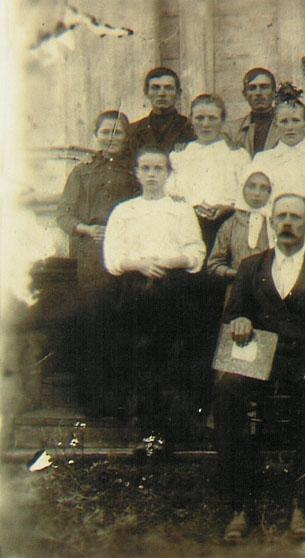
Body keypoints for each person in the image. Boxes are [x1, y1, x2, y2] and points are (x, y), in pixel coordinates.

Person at [216, 193, 305, 541]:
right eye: (281, 217)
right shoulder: (251, 266)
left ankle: (301, 504)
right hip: (259, 360)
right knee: (228, 388)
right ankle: (239, 506)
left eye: (295, 217)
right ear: (272, 223)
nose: (288, 223)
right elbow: (233, 313)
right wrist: (240, 319)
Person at [103, 147, 206, 451]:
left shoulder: (181, 210)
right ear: (136, 173)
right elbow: (112, 257)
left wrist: (167, 262)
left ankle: (170, 431)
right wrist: (139, 264)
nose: (151, 174)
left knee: (171, 357)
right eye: (145, 168)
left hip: (172, 288)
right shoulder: (124, 210)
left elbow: (196, 253)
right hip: (133, 289)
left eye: (158, 168)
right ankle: (140, 431)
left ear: (168, 174)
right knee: (138, 357)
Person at [56, 110, 140, 416]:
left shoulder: (136, 172)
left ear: (126, 137)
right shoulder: (82, 173)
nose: (111, 138)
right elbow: (63, 214)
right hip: (91, 255)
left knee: (123, 324)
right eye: (106, 132)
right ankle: (93, 402)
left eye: (118, 133)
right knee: (93, 324)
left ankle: (122, 403)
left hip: (125, 252)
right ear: (96, 135)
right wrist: (85, 229)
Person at [167, 94, 250, 251]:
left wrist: (228, 207)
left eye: (212, 118)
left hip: (227, 225)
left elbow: (247, 195)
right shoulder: (179, 155)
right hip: (187, 229)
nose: (205, 124)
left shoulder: (238, 155)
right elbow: (170, 194)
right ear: (191, 119)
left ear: (222, 120)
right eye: (199, 118)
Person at [252, 83, 305, 202]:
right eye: (284, 121)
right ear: (276, 125)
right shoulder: (262, 160)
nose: (290, 127)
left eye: (296, 121)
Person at [206, 166, 273, 300]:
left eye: (263, 188)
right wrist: (233, 273)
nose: (257, 193)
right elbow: (213, 263)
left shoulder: (275, 224)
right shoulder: (230, 224)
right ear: (242, 188)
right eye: (251, 186)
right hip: (238, 291)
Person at [128, 67, 195, 155]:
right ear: (146, 92)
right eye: (155, 88)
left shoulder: (190, 129)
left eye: (168, 88)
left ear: (178, 93)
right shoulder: (132, 130)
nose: (161, 93)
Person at [222, 67, 280, 156]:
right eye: (252, 88)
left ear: (274, 93)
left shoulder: (287, 125)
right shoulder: (232, 130)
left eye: (264, 87)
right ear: (245, 94)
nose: (258, 93)